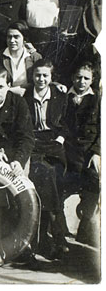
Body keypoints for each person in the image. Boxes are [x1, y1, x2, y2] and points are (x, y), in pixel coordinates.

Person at [23, 59, 70, 260]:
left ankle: (44, 239)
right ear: (32, 77)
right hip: (33, 143)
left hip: (54, 144)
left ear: (51, 78)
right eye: (37, 75)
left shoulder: (60, 96)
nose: (41, 79)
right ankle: (57, 236)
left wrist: (59, 139)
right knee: (45, 174)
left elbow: (68, 122)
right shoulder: (25, 96)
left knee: (52, 174)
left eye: (45, 75)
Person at [0, 67, 34, 242]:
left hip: (16, 155)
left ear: (9, 86)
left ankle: (22, 238)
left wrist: (18, 161)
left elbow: (26, 137)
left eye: (0, 87)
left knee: (20, 186)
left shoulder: (18, 103)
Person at [63, 62, 100, 247]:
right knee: (58, 183)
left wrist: (97, 152)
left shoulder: (98, 100)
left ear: (92, 80)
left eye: (86, 78)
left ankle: (86, 227)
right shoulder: (64, 97)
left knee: (93, 183)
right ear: (72, 78)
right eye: (78, 77)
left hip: (87, 152)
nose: (82, 82)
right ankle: (59, 228)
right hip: (67, 151)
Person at [0, 21, 42, 96]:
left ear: (24, 39)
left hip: (29, 95)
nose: (12, 40)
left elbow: (41, 81)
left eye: (16, 37)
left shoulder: (35, 57)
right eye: (9, 37)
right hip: (6, 96)